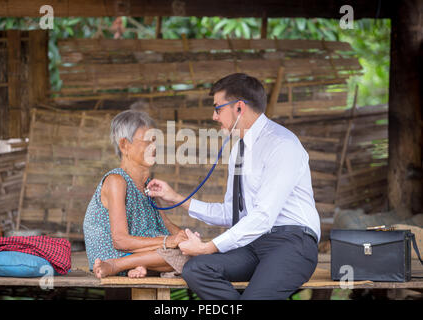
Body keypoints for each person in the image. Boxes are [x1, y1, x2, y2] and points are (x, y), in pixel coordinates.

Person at [146, 73, 321, 299]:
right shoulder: (238, 152)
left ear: (239, 108)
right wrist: (177, 198)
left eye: (218, 108)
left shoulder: (281, 145)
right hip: (254, 243)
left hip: (292, 243)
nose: (214, 116)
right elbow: (233, 213)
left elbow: (264, 216)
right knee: (197, 269)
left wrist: (207, 247)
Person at [83, 110, 188, 279]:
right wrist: (168, 241)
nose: (154, 147)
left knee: (194, 254)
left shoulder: (148, 186)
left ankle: (141, 265)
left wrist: (188, 239)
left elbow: (166, 224)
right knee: (183, 257)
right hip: (114, 255)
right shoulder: (116, 181)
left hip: (146, 252)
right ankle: (117, 266)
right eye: (148, 141)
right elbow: (121, 241)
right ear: (124, 145)